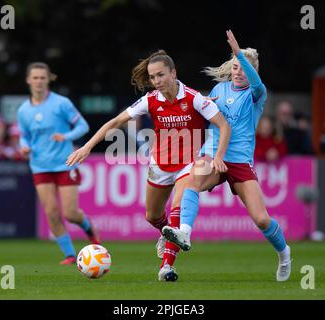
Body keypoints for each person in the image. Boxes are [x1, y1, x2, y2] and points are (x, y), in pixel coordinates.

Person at [66, 50, 231, 281]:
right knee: (153, 216)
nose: (156, 81)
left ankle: (167, 267)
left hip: (189, 164)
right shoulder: (150, 100)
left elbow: (223, 125)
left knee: (178, 208)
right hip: (161, 164)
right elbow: (116, 122)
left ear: (173, 73)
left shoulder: (194, 98)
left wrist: (219, 156)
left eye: (161, 75)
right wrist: (87, 147)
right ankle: (165, 233)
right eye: (153, 77)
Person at [162, 30, 292, 282]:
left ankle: (284, 253)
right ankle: (185, 232)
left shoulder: (256, 93)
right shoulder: (219, 89)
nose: (238, 72)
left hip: (240, 161)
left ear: (252, 69)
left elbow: (255, 82)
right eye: (235, 67)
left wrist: (239, 53)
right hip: (212, 155)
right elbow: (208, 116)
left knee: (261, 219)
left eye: (242, 67)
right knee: (193, 180)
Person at [17, 62, 100, 265]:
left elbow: (83, 126)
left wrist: (66, 136)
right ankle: (70, 254)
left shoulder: (61, 103)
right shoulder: (23, 110)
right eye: (35, 77)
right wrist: (24, 146)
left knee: (71, 214)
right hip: (40, 166)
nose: (38, 81)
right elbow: (24, 136)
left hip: (65, 163)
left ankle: (90, 231)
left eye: (42, 77)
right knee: (52, 213)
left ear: (48, 79)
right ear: (28, 80)